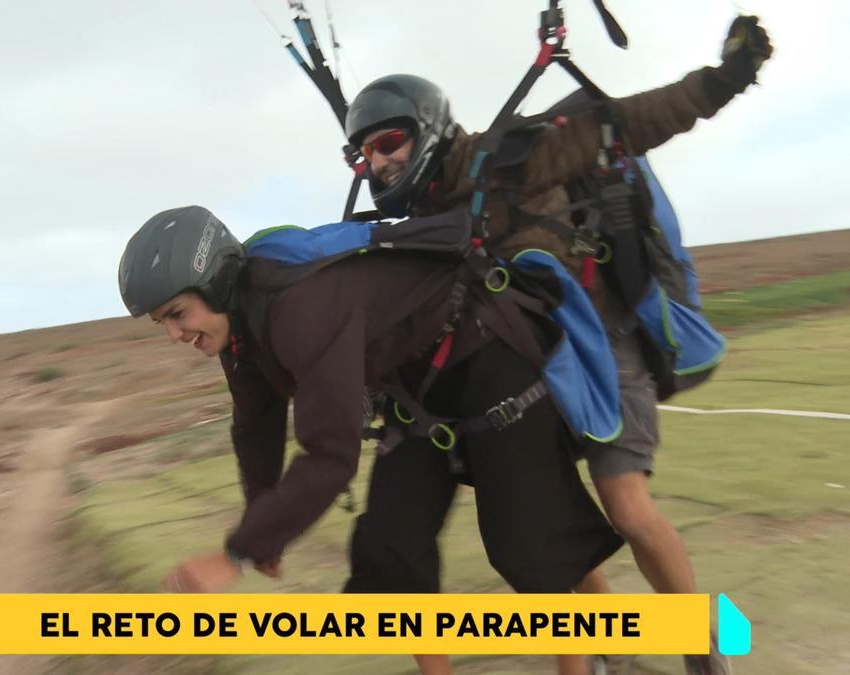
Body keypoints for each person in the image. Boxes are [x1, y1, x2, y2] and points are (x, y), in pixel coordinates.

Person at [340, 15, 772, 675]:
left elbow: (627, 123)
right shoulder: (419, 224)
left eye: (389, 141)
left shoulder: (514, 157)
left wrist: (723, 80)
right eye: (363, 154)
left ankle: (702, 649)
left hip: (604, 343)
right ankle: (610, 652)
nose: (378, 162)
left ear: (427, 128)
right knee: (546, 521)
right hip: (530, 370)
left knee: (624, 503)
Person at [119, 204, 623, 675]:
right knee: (390, 549)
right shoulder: (239, 332)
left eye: (177, 314)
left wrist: (235, 555)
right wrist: (262, 521)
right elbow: (256, 426)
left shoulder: (299, 309)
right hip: (415, 385)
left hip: (490, 354)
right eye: (162, 320)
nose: (173, 335)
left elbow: (330, 457)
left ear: (216, 282)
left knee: (529, 550)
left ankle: (592, 660)